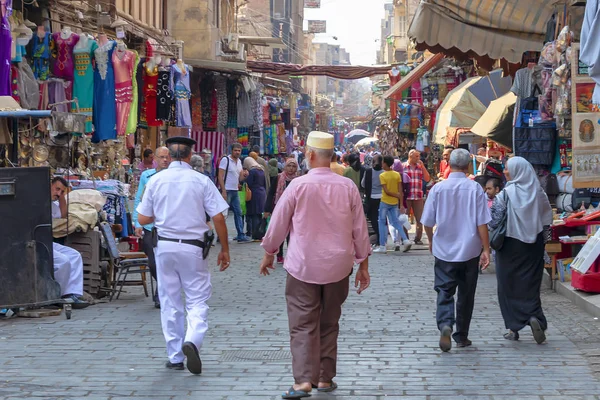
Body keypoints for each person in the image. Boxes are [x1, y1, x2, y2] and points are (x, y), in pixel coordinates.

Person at [259, 131, 371, 399]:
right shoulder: (347, 187)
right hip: (338, 268)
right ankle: (324, 378)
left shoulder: (297, 186)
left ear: (309, 155)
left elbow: (278, 223)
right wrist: (363, 265)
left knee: (302, 324)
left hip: (303, 267)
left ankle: (302, 382)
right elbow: (360, 230)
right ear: (331, 155)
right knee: (330, 322)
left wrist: (269, 252)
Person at [136, 136, 231, 374]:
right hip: (193, 248)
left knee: (170, 301)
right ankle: (193, 339)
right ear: (189, 156)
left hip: (165, 246)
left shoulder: (156, 181)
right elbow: (218, 216)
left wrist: (165, 212)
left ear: (170, 155)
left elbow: (143, 219)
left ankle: (175, 355)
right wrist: (225, 249)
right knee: (197, 299)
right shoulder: (201, 180)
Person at [421, 149, 491, 352]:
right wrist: (486, 249)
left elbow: (427, 221)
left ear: (449, 165)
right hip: (470, 249)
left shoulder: (438, 189)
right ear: (468, 166)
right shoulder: (475, 189)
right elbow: (482, 223)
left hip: (444, 249)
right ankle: (462, 336)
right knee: (466, 293)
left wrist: (431, 240)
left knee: (444, 290)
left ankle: (445, 324)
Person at [490, 156, 553, 344]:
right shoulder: (538, 193)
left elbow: (494, 221)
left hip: (508, 247)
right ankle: (534, 317)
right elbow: (547, 222)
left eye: (508, 168)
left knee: (507, 287)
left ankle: (513, 327)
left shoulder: (505, 195)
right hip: (532, 247)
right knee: (531, 286)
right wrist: (545, 246)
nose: (505, 172)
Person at [133, 146, 171, 309]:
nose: (164, 160)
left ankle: (160, 293)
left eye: (167, 157)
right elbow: (139, 199)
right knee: (153, 263)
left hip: (168, 225)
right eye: (161, 157)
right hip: (150, 225)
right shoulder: (147, 176)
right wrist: (137, 222)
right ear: (155, 158)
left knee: (165, 262)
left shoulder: (174, 177)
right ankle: (163, 287)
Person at [50, 177, 89, 309]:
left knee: (75, 255)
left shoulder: (53, 204)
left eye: (62, 191)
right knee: (64, 261)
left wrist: (61, 196)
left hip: (48, 243)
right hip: (38, 242)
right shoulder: (38, 201)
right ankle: (57, 295)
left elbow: (63, 214)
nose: (58, 193)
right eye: (57, 189)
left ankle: (72, 293)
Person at [373, 155, 414, 254]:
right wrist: (400, 202)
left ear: (386, 164)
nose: (381, 164)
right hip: (395, 203)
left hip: (385, 202)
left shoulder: (382, 175)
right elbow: (400, 190)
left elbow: (386, 191)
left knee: (382, 222)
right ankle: (405, 240)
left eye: (382, 163)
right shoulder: (397, 175)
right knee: (396, 222)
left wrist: (395, 195)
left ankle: (382, 245)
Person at [264, 157, 299, 264]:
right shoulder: (279, 178)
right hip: (279, 209)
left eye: (293, 166)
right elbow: (271, 194)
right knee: (280, 232)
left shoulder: (298, 180)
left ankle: (290, 255)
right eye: (289, 166)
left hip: (294, 210)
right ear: (285, 166)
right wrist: (267, 209)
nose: (291, 169)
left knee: (292, 234)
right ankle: (279, 256)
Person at [218, 143, 251, 243]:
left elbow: (239, 178)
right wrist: (223, 190)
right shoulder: (226, 160)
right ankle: (220, 236)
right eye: (235, 150)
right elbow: (220, 176)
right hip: (227, 190)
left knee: (238, 212)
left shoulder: (239, 162)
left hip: (235, 190)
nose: (237, 152)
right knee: (224, 214)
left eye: (239, 151)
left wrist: (245, 176)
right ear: (231, 151)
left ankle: (240, 234)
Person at [404, 149, 431, 245]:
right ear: (410, 156)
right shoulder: (403, 167)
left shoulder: (420, 167)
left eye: (418, 156)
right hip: (406, 197)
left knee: (419, 219)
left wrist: (423, 166)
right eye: (416, 156)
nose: (418, 158)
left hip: (417, 196)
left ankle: (418, 238)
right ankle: (405, 238)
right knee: (404, 218)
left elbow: (427, 179)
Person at [361, 154, 384, 246]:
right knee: (381, 219)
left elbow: (363, 184)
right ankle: (380, 237)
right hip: (382, 198)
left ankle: (378, 236)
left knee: (373, 218)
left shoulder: (368, 171)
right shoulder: (384, 172)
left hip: (371, 198)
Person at [243, 156, 267, 240]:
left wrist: (244, 178)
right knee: (259, 214)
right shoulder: (261, 170)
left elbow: (249, 183)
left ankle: (255, 234)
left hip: (254, 193)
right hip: (262, 193)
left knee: (254, 214)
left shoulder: (252, 171)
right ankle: (260, 233)